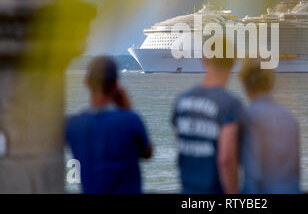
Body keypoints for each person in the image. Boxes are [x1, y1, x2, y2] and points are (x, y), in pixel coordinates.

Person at [66, 56, 152, 194]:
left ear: (86, 83)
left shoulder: (72, 125)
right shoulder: (130, 120)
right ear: (116, 85)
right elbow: (147, 153)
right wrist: (127, 108)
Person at [171, 39, 243, 193]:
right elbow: (226, 159)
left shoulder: (181, 100)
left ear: (203, 60)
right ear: (233, 61)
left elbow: (181, 146)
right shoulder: (230, 104)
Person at [239, 59, 300, 194]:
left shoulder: (249, 118)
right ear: (272, 82)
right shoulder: (290, 118)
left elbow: (252, 175)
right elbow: (295, 172)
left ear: (244, 83)